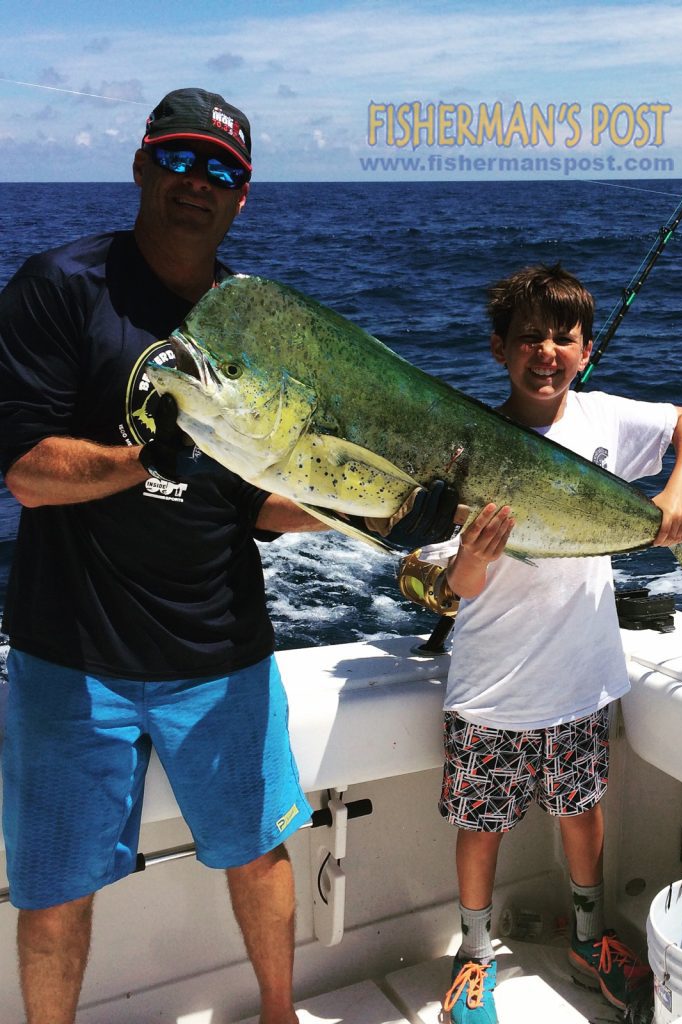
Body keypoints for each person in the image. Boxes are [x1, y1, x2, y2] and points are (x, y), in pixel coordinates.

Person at [0, 88, 457, 1024]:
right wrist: (144, 458)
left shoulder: (252, 326)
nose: (194, 182)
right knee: (52, 889)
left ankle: (280, 1016)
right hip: (70, 653)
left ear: (242, 196)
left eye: (221, 170)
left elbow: (261, 498)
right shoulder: (59, 287)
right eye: (178, 158)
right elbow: (26, 474)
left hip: (220, 652)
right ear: (140, 164)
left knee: (258, 851)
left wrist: (383, 523)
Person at [411, 264, 682, 1023]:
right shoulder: (467, 445)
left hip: (581, 679)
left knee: (583, 814)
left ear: (584, 352)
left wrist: (675, 495)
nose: (545, 351)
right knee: (482, 827)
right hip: (492, 687)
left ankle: (588, 938)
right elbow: (458, 584)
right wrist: (472, 559)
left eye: (563, 338)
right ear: (498, 350)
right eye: (528, 338)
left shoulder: (604, 420)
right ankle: (474, 952)